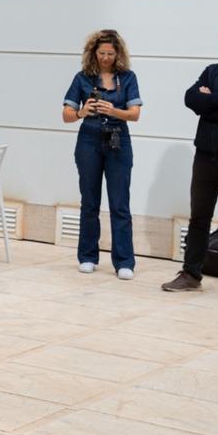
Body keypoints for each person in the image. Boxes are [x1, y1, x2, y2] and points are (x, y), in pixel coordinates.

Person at [163, 21, 218, 292]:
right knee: (199, 217)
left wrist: (210, 103)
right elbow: (191, 99)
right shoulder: (211, 71)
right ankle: (190, 274)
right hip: (205, 157)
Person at [62, 29, 143, 279]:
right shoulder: (82, 78)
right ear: (93, 54)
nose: (106, 57)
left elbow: (135, 114)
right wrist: (83, 111)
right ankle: (87, 256)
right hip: (89, 140)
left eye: (110, 53)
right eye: (102, 53)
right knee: (89, 202)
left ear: (118, 53)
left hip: (118, 139)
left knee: (120, 204)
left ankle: (124, 262)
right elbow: (66, 115)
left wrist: (113, 110)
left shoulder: (128, 78)